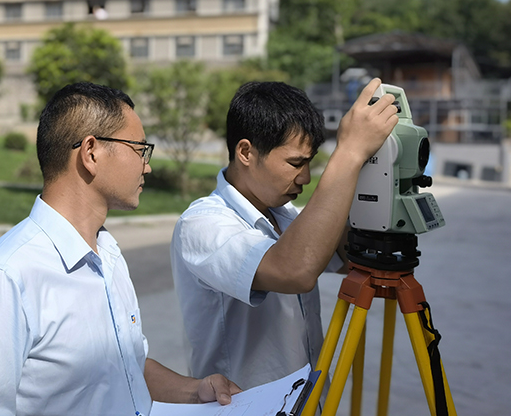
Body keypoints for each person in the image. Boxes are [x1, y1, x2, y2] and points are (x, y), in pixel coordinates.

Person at [0, 82, 240, 416]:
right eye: (140, 149)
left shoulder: (107, 253)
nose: (148, 166)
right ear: (91, 152)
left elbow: (127, 367)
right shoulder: (3, 277)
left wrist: (195, 391)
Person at [170, 78, 399, 390]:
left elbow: (351, 259)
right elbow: (295, 271)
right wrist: (349, 153)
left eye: (309, 164)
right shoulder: (203, 225)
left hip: (307, 409)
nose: (304, 177)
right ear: (246, 152)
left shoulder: (285, 216)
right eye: (296, 163)